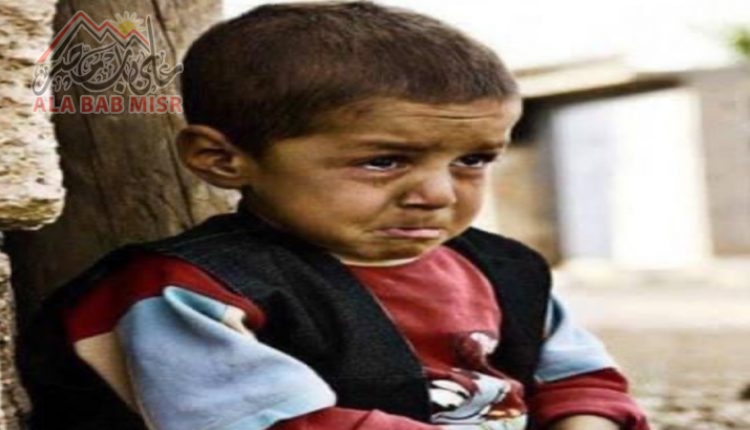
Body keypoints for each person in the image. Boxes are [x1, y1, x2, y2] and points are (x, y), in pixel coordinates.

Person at [18, 2, 650, 430]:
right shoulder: (190, 293)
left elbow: (582, 382)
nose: (437, 194)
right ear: (222, 159)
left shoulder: (505, 270)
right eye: (383, 161)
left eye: (473, 159)